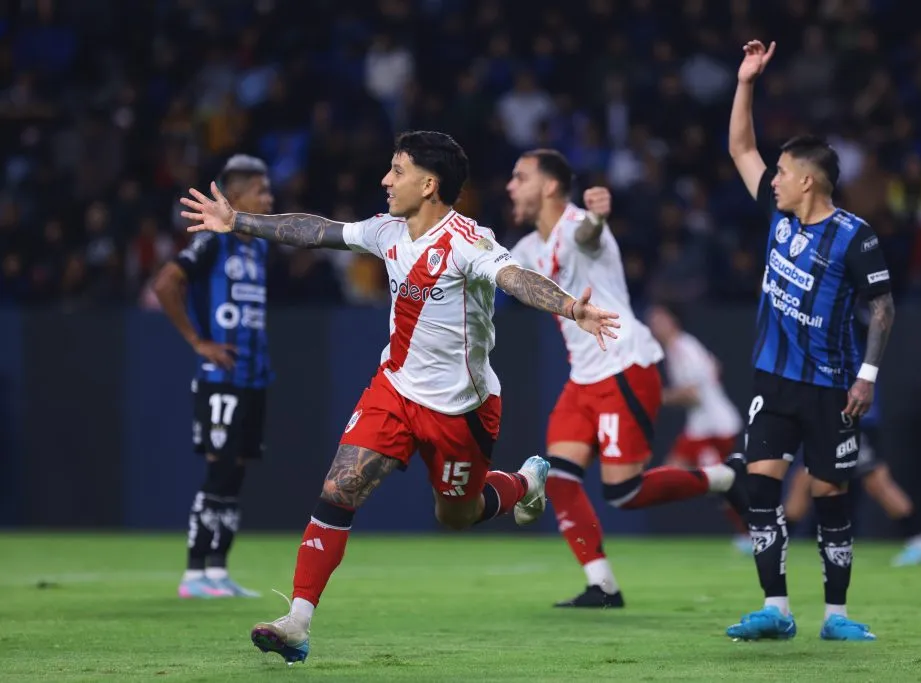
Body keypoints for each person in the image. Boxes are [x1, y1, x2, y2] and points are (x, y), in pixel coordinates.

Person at [179, 131, 621, 663]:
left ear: (428, 184)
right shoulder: (385, 231)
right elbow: (317, 230)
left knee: (456, 516)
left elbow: (515, 277)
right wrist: (240, 222)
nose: (386, 180)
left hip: (462, 409)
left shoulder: (467, 241)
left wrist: (572, 308)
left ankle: (526, 480)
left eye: (397, 170)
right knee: (340, 488)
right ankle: (297, 620)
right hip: (394, 389)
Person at [506, 150, 744, 608]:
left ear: (550, 186)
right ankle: (603, 585)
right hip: (583, 379)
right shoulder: (524, 250)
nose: (511, 186)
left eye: (521, 177)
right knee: (558, 477)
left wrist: (599, 217)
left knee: (624, 492)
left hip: (624, 367)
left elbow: (589, 235)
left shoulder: (579, 226)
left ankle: (726, 477)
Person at [725, 40, 895, 642]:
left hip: (832, 387)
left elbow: (883, 305)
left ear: (806, 180)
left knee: (829, 498)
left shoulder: (854, 237)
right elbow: (740, 146)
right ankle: (777, 609)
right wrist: (746, 81)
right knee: (760, 488)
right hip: (774, 379)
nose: (770, 180)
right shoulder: (778, 219)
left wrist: (867, 376)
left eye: (781, 173)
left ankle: (836, 617)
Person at [154, 154, 274, 599]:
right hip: (219, 377)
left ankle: (219, 571)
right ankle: (193, 574)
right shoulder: (212, 242)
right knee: (219, 471)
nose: (269, 198)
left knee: (235, 475)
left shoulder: (259, 244)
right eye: (261, 191)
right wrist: (197, 341)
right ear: (236, 196)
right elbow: (166, 282)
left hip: (254, 377)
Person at [784, 307, 921, 567]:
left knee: (875, 480)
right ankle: (775, 538)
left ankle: (918, 539)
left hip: (857, 413)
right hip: (833, 410)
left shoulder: (851, 314)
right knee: (804, 477)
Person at [644, 303, 749, 552]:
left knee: (719, 482)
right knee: (678, 471)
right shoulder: (681, 347)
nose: (654, 324)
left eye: (659, 318)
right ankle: (750, 528)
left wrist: (659, 397)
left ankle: (753, 532)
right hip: (702, 426)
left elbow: (693, 394)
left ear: (672, 320)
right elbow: (716, 366)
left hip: (715, 427)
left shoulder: (682, 347)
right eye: (652, 320)